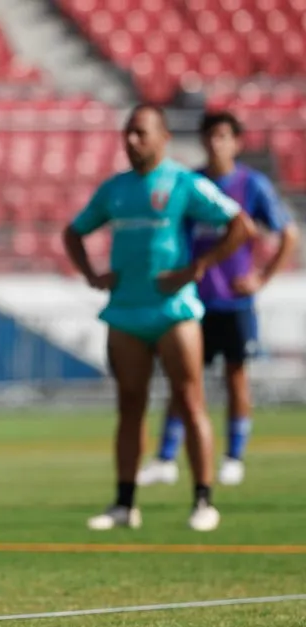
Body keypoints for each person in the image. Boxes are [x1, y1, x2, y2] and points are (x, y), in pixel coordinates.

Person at [62, 104, 255, 532]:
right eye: (127, 133)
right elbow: (73, 231)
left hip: (174, 312)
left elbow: (240, 225)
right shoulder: (114, 190)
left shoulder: (184, 183)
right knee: (129, 406)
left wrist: (196, 270)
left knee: (190, 401)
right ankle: (124, 504)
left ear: (163, 138)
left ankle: (203, 501)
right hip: (126, 312)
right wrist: (92, 275)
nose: (132, 141)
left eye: (140, 133)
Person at [138, 111, 299, 488]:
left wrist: (261, 278)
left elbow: (286, 233)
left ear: (236, 142)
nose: (216, 142)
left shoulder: (251, 185)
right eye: (210, 135)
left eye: (224, 135)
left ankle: (234, 456)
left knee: (236, 376)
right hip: (193, 301)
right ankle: (165, 458)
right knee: (183, 380)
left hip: (234, 302)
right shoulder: (190, 183)